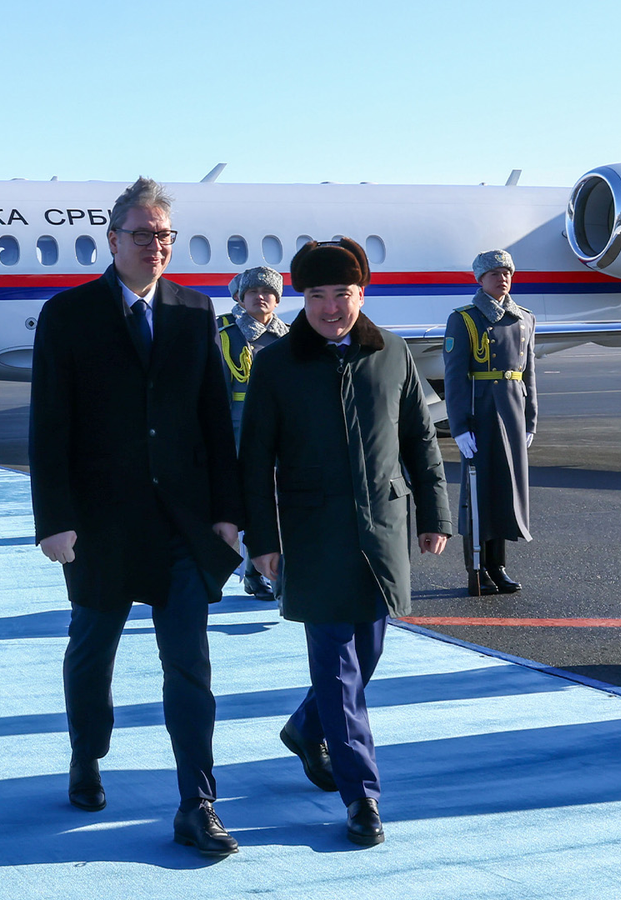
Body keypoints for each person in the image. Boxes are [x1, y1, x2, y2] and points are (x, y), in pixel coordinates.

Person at [28, 177, 245, 855]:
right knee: (92, 652)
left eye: (165, 236)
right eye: (143, 234)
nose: (155, 247)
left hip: (180, 525)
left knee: (189, 665)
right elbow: (49, 428)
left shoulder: (192, 312)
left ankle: (196, 802)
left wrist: (228, 514)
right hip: (100, 525)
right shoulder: (68, 315)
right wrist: (54, 521)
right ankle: (86, 754)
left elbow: (214, 422)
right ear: (113, 240)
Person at [239, 237, 452, 846]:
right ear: (302, 298)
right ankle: (363, 796)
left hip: (382, 530)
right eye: (317, 296)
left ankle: (308, 729)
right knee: (337, 669)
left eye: (343, 294)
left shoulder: (393, 354)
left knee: (368, 657)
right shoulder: (277, 364)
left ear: (362, 293)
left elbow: (418, 439)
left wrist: (434, 515)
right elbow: (254, 460)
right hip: (313, 534)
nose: (331, 308)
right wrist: (262, 539)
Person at [443, 250, 536, 594]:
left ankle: (498, 566)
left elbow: (529, 375)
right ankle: (477, 568)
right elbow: (454, 377)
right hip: (480, 413)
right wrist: (459, 426)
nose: (502, 278)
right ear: (479, 279)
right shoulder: (465, 319)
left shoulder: (523, 318)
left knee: (506, 490)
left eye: (507, 272)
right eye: (494, 273)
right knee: (479, 493)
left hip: (511, 412)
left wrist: (530, 419)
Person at [217, 266, 289, 598]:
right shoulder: (225, 334)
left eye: (268, 293)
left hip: (277, 434)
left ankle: (259, 572)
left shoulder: (288, 337)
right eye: (253, 293)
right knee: (240, 505)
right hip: (235, 433)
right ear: (240, 298)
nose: (261, 298)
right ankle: (234, 570)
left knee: (272, 505)